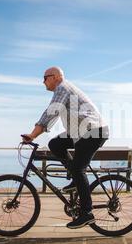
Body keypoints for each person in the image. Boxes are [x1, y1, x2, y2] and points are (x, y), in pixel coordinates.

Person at [22, 66, 109, 229]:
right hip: (83, 132)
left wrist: (33, 134)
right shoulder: (62, 90)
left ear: (55, 77)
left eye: (45, 78)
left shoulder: (62, 88)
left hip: (93, 132)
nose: (43, 82)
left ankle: (86, 213)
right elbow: (52, 116)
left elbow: (50, 113)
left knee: (78, 169)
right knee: (55, 144)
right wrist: (36, 133)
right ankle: (75, 178)